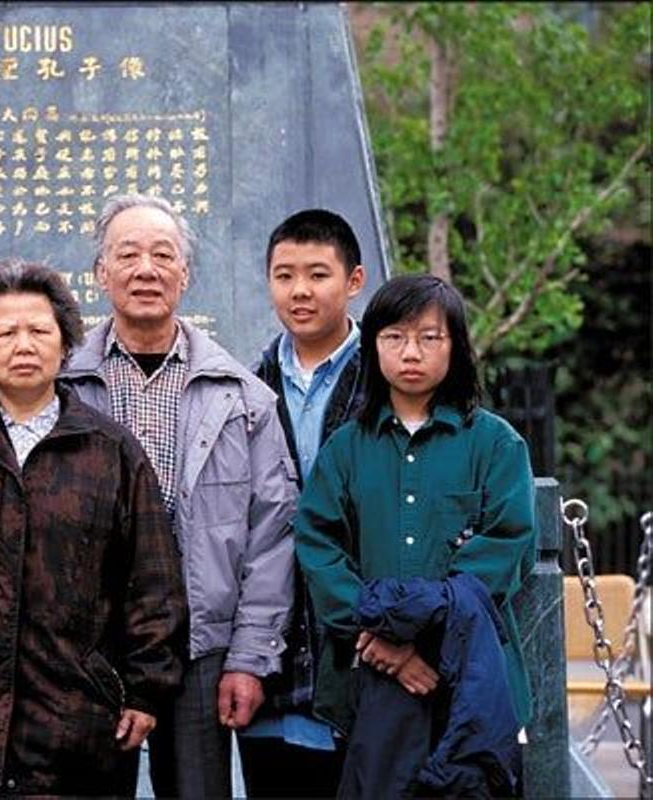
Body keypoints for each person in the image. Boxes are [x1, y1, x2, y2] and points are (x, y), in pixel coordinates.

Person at [0, 259, 188, 795]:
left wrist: (145, 692)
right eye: (5, 332)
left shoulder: (110, 451)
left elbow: (152, 582)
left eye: (38, 331)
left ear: (64, 343)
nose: (22, 344)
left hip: (80, 726)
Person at [61, 194, 298, 798]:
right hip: (90, 646)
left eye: (163, 255)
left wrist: (249, 656)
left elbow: (273, 537)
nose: (147, 269)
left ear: (186, 274)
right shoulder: (61, 388)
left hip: (201, 646)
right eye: (128, 254)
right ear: (101, 273)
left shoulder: (242, 398)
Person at [293, 274, 535, 795]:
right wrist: (380, 640)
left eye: (430, 337)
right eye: (394, 337)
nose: (411, 352)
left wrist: (417, 637)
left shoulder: (496, 444)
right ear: (372, 345)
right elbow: (318, 547)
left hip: (470, 682)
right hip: (370, 681)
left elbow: (507, 547)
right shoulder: (345, 449)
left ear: (456, 347)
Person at [239, 209, 368, 796]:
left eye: (318, 274)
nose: (300, 291)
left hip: (365, 638)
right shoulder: (246, 386)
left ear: (354, 281)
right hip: (276, 644)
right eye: (284, 275)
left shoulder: (388, 379)